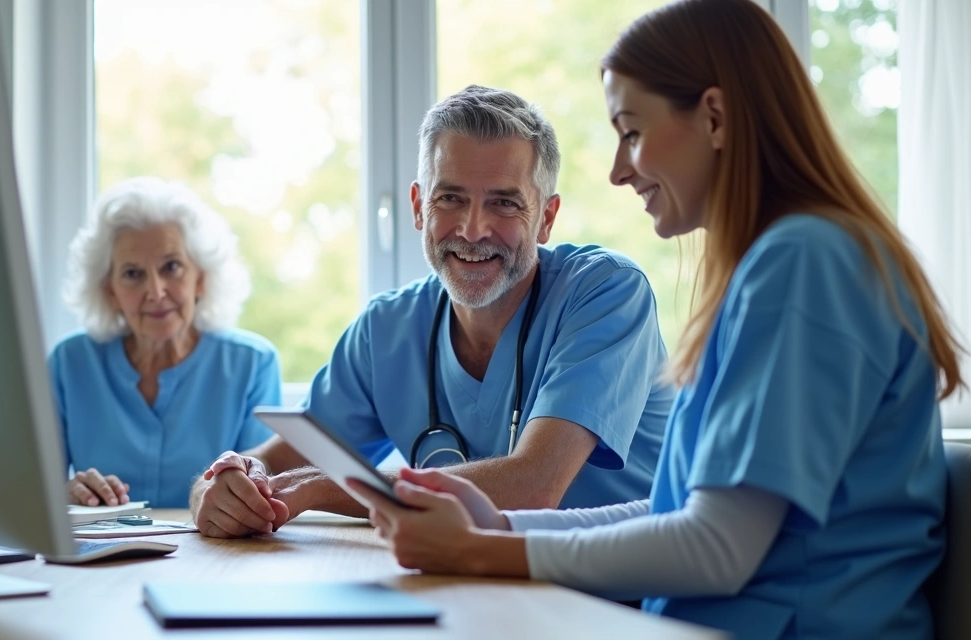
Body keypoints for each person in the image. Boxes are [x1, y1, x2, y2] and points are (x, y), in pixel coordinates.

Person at [347, 1, 966, 638]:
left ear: (715, 118)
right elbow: (683, 512)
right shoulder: (780, 263)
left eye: (633, 132)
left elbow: (717, 549)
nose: (619, 170)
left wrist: (482, 551)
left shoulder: (804, 265)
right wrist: (500, 525)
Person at [191, 85, 675, 539]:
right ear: (420, 208)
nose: (472, 228)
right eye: (451, 198)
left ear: (546, 218)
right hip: (474, 585)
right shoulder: (387, 330)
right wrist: (219, 488)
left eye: (504, 203)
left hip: (622, 599)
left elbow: (535, 486)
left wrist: (322, 486)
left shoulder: (607, 293)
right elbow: (271, 464)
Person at [50, 176, 281, 508]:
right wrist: (65, 494)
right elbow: (34, 492)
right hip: (101, 556)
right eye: (133, 274)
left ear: (200, 279)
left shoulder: (253, 364)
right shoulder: (68, 362)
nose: (156, 292)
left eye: (171, 267)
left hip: (217, 553)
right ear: (110, 290)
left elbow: (257, 488)